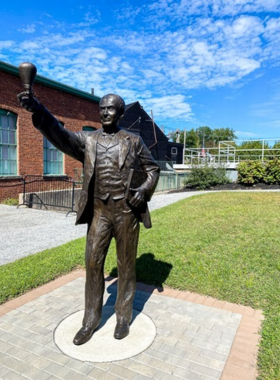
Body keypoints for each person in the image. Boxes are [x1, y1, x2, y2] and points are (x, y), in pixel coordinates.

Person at [17, 91, 160, 345]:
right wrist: (38, 109)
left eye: (111, 109)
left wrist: (144, 190)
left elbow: (153, 169)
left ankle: (123, 317)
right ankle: (90, 320)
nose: (105, 112)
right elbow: (61, 136)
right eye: (102, 108)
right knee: (93, 265)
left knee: (126, 265)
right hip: (99, 213)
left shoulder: (134, 141)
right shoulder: (87, 140)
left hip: (126, 212)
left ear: (121, 113)